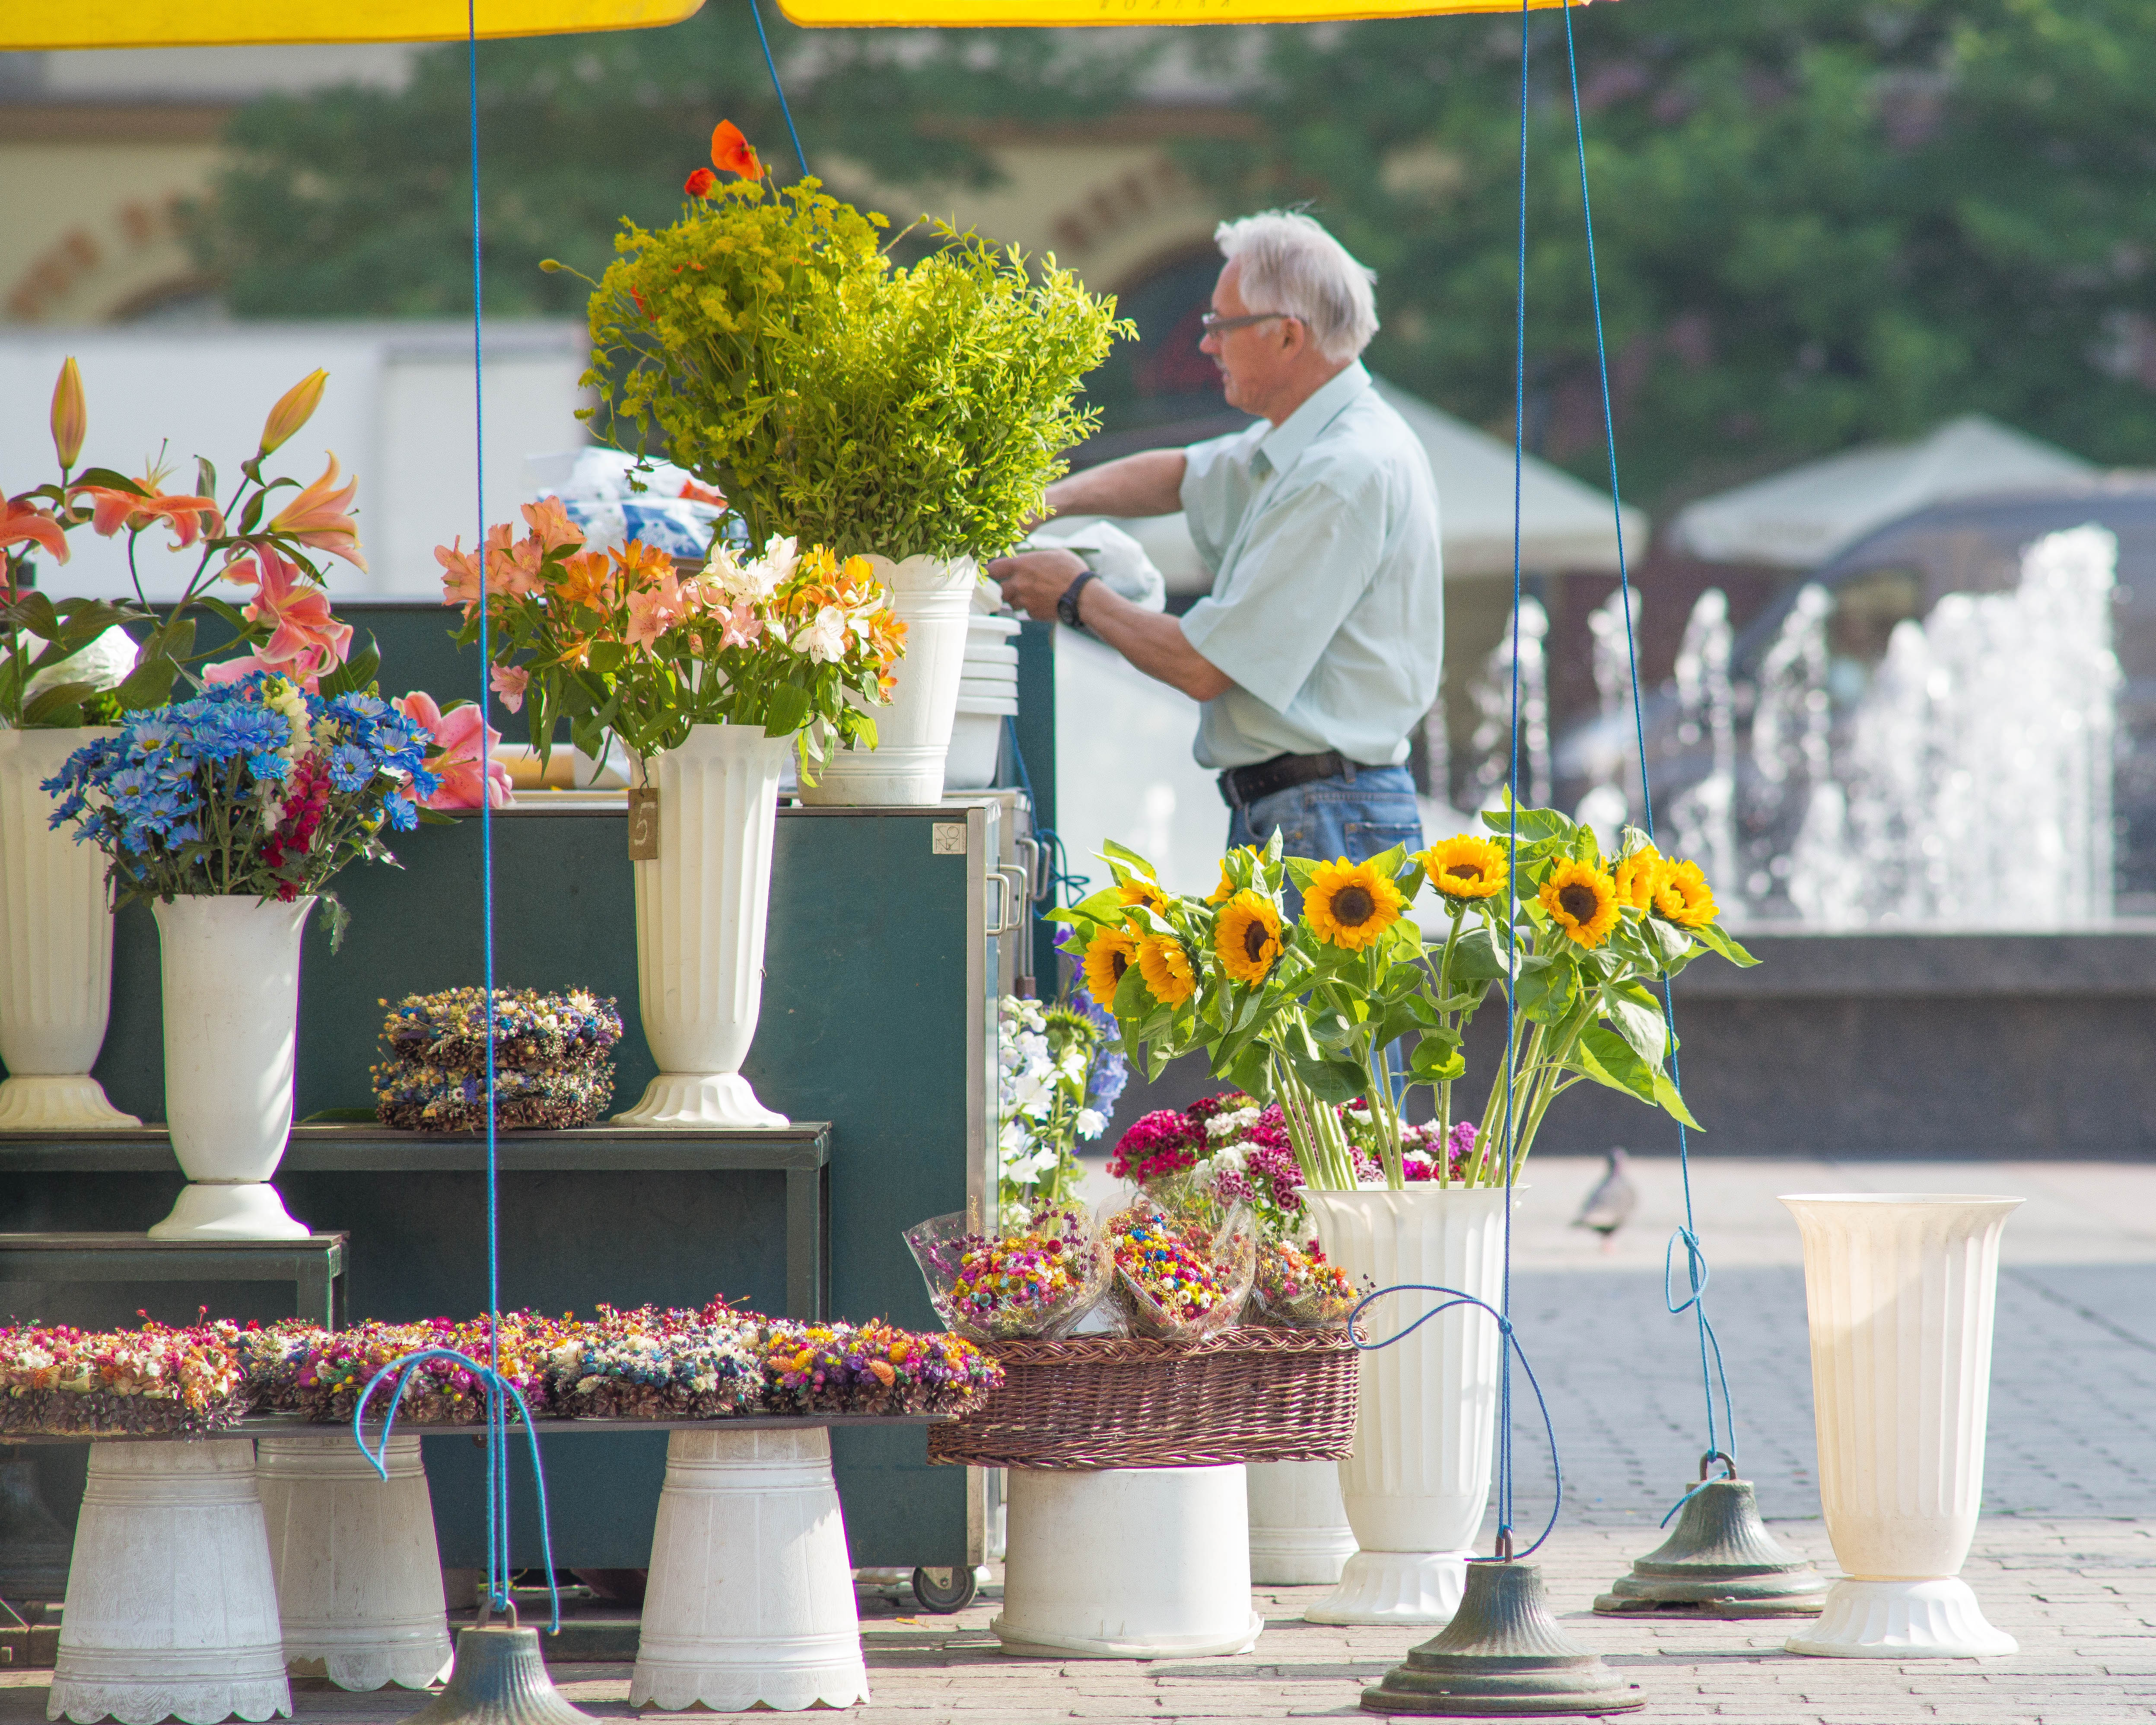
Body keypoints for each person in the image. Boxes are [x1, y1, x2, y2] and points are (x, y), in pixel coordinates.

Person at [989, 209, 1443, 869]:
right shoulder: (1311, 438)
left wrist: (1076, 594)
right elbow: (1181, 473)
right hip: (1317, 807)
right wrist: (1046, 502)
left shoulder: (1338, 472)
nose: (1206, 347)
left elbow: (1204, 667)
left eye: (1221, 327)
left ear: (1288, 336)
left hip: (1326, 814)